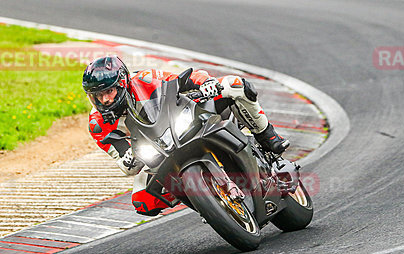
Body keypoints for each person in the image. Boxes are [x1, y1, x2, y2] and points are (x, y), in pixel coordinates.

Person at [82, 55, 289, 216]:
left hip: (182, 120)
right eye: (98, 96)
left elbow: (183, 78)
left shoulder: (144, 79)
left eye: (109, 92)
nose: (105, 99)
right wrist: (129, 159)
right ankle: (207, 202)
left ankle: (267, 136)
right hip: (157, 150)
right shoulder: (97, 124)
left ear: (122, 84)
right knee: (143, 200)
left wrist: (205, 83)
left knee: (234, 85)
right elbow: (124, 161)